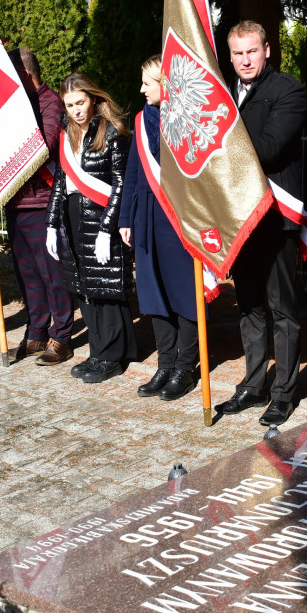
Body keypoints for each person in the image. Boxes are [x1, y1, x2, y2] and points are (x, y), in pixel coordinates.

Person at [217, 20, 307, 427]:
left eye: (252, 51)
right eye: (238, 53)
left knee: (282, 308)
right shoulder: (222, 94)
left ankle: (283, 393)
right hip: (239, 218)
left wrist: (218, 150)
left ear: (266, 49)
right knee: (249, 306)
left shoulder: (288, 90)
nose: (245, 59)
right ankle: (254, 385)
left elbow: (270, 149)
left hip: (275, 218)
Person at [46, 73, 135, 384]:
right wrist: (51, 223)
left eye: (81, 102)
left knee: (107, 288)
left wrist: (107, 228)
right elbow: (60, 181)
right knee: (84, 286)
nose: (76, 110)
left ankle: (113, 356)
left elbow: (121, 185)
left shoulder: (111, 133)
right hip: (73, 215)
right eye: (70, 105)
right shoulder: (67, 133)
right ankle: (98, 352)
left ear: (94, 99)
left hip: (102, 217)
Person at [119, 55, 197, 401]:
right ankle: (165, 363)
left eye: (147, 83)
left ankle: (186, 366)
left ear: (165, 85)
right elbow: (133, 172)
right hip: (146, 215)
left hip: (177, 217)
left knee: (182, 292)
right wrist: (125, 218)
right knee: (153, 292)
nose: (140, 89)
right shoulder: (140, 120)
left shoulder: (186, 118)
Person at [5, 48, 75, 365]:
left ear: (27, 74)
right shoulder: (10, 106)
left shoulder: (49, 101)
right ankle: (36, 330)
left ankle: (61, 336)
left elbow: (45, 145)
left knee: (50, 274)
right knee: (27, 273)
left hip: (42, 200)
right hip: (16, 200)